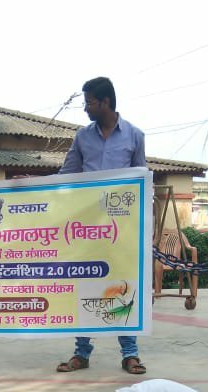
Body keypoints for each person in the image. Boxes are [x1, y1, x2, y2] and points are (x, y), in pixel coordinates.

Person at [56, 77, 148, 376]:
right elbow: (67, 175)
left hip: (122, 228)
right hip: (87, 227)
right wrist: (32, 184)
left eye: (89, 102)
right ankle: (81, 353)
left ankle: (130, 354)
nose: (85, 109)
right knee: (87, 283)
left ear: (105, 102)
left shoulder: (134, 135)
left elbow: (141, 181)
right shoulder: (82, 138)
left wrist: (147, 227)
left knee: (124, 285)